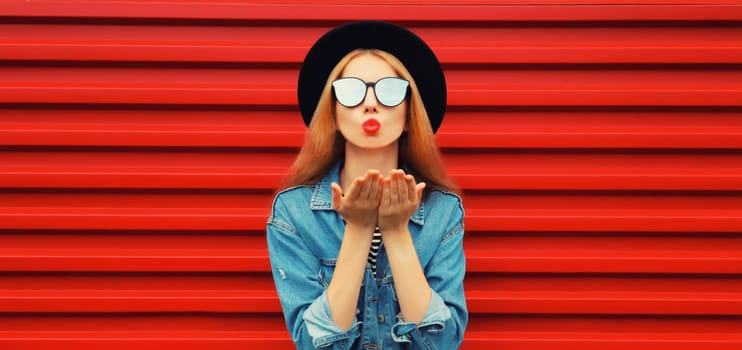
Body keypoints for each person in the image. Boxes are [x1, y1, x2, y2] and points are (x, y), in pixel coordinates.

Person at [266, 20, 467, 349]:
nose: (370, 103)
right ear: (333, 113)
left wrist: (396, 231)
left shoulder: (443, 211)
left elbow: (442, 342)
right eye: (351, 91)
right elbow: (314, 344)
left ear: (408, 114)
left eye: (389, 91)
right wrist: (358, 230)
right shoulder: (293, 212)